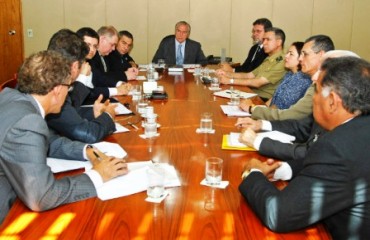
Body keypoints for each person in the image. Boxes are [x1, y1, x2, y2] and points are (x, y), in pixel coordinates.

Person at [239, 56, 370, 239]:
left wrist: (253, 173)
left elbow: (277, 214)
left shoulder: (340, 145)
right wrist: (282, 170)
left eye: (316, 91)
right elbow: (327, 166)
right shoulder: (358, 129)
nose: (313, 99)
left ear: (332, 101)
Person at [0, 50, 128, 224]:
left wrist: (86, 150)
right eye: (70, 87)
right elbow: (43, 196)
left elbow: (46, 140)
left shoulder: (11, 98)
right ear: (57, 90)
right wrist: (98, 175)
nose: (69, 94)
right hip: (8, 214)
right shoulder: (28, 121)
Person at [237, 50, 359, 162]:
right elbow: (301, 127)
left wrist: (257, 141)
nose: (315, 77)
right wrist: (261, 124)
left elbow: (310, 154)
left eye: (322, 70)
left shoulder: (353, 129)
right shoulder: (313, 88)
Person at [46, 29, 117, 143]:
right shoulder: (54, 87)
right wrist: (108, 115)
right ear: (75, 66)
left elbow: (70, 112)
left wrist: (93, 113)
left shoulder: (46, 75)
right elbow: (88, 134)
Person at [241, 35, 334, 120]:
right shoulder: (291, 75)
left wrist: (252, 109)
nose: (301, 59)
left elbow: (289, 114)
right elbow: (275, 102)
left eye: (305, 54)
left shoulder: (309, 82)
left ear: (321, 55)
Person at [217, 27, 287, 101]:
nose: (264, 43)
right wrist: (226, 74)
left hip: (262, 99)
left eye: (268, 40)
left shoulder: (282, 61)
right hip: (252, 93)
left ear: (279, 42)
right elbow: (249, 75)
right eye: (264, 40)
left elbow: (258, 82)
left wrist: (229, 81)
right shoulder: (269, 58)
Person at [75, 27, 132, 104]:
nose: (92, 49)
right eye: (88, 45)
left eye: (95, 46)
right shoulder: (73, 65)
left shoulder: (88, 61)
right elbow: (85, 94)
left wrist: (120, 84)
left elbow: (100, 78)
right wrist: (117, 90)